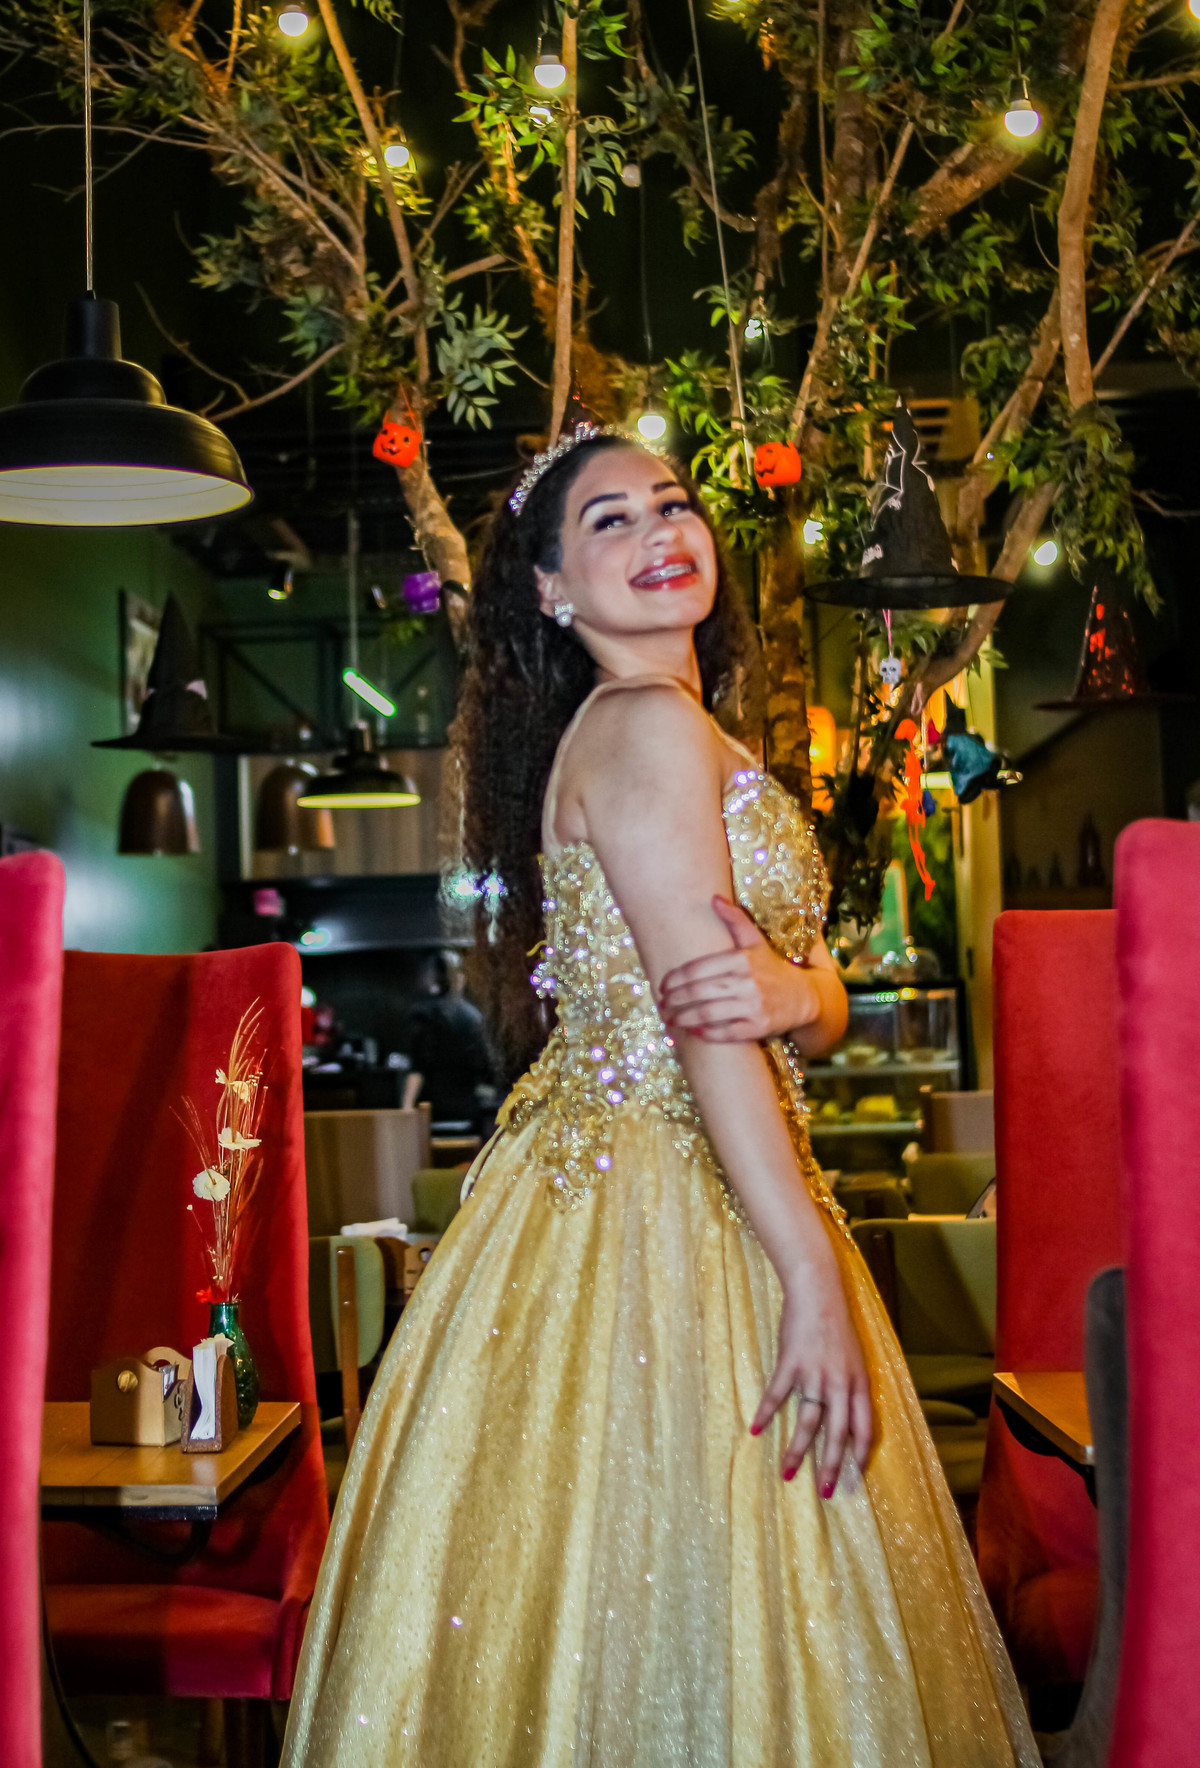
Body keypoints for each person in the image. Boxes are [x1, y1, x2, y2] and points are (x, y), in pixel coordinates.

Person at [282, 427, 1038, 1767]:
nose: (658, 532)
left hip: (680, 1179)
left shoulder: (684, 729)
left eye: (671, 504)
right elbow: (704, 1034)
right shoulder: (642, 727)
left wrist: (806, 993)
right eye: (610, 521)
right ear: (550, 589)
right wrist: (807, 1270)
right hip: (662, 1204)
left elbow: (775, 999)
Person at [401, 949, 498, 1130]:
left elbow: (418, 1067)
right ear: (460, 979)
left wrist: (406, 1108)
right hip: (468, 1111)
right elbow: (487, 1065)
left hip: (432, 1112)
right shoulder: (474, 1017)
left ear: (434, 978)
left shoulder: (424, 1014)